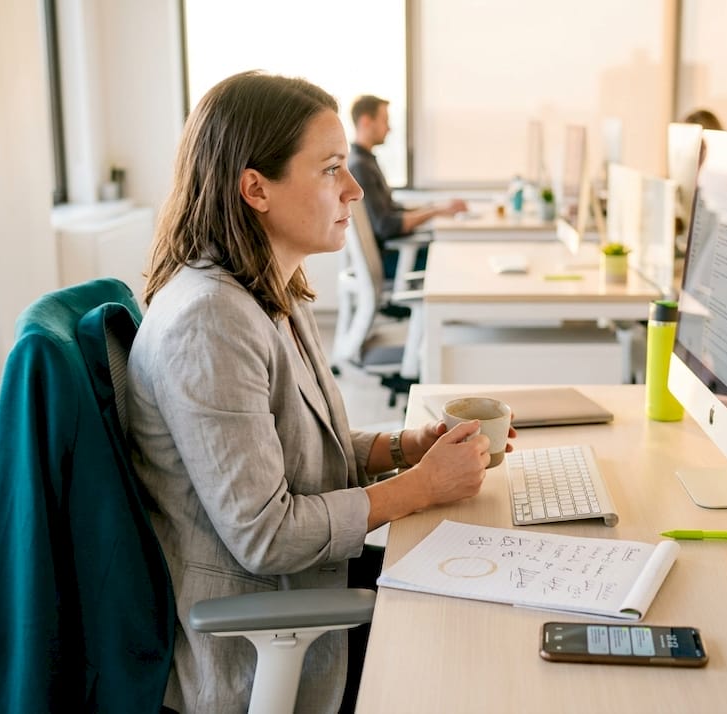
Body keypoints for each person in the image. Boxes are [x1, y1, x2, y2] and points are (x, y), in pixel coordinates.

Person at [129, 71, 513, 713]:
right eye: (331, 168)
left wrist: (405, 447)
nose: (354, 189)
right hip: (261, 629)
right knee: (474, 647)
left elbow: (300, 444)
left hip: (304, 580)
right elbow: (265, 534)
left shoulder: (270, 287)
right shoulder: (210, 320)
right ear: (256, 187)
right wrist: (422, 486)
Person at [349, 94, 466, 279]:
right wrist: (434, 211)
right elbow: (386, 225)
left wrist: (438, 207)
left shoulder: (366, 161)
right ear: (366, 121)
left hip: (393, 255)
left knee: (449, 254)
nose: (389, 128)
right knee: (451, 259)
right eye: (384, 120)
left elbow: (393, 210)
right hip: (390, 261)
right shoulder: (360, 167)